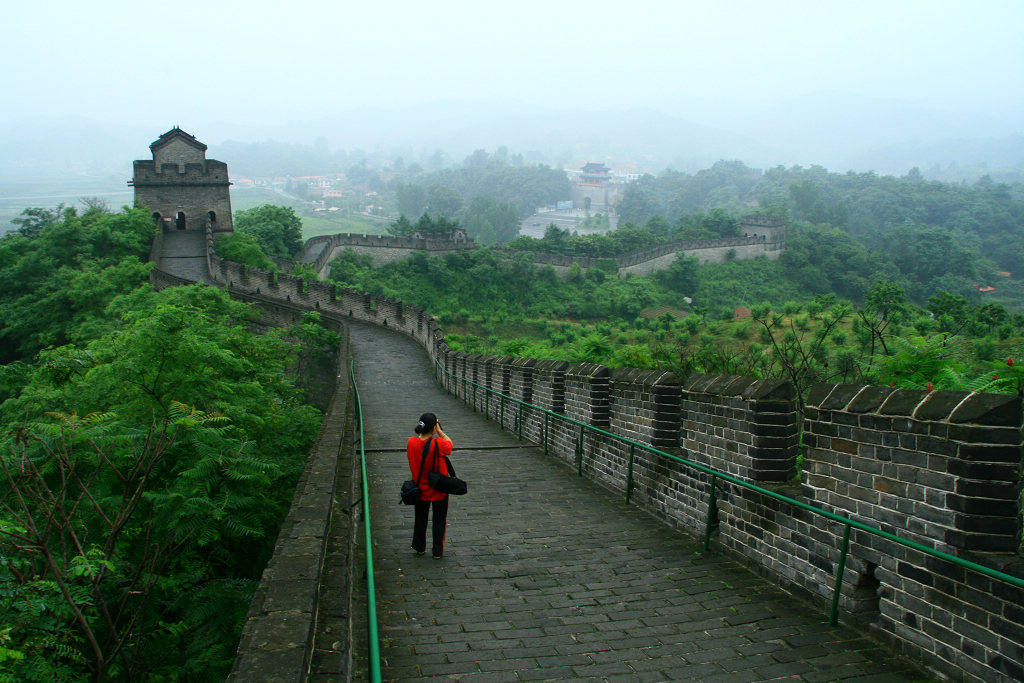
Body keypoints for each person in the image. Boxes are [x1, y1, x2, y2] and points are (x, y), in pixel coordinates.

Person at [407, 412, 453, 559]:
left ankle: (420, 548)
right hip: (438, 489)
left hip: (420, 489)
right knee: (439, 520)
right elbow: (450, 446)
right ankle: (437, 552)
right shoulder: (438, 444)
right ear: (434, 427)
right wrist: (440, 432)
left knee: (420, 519)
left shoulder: (411, 442)